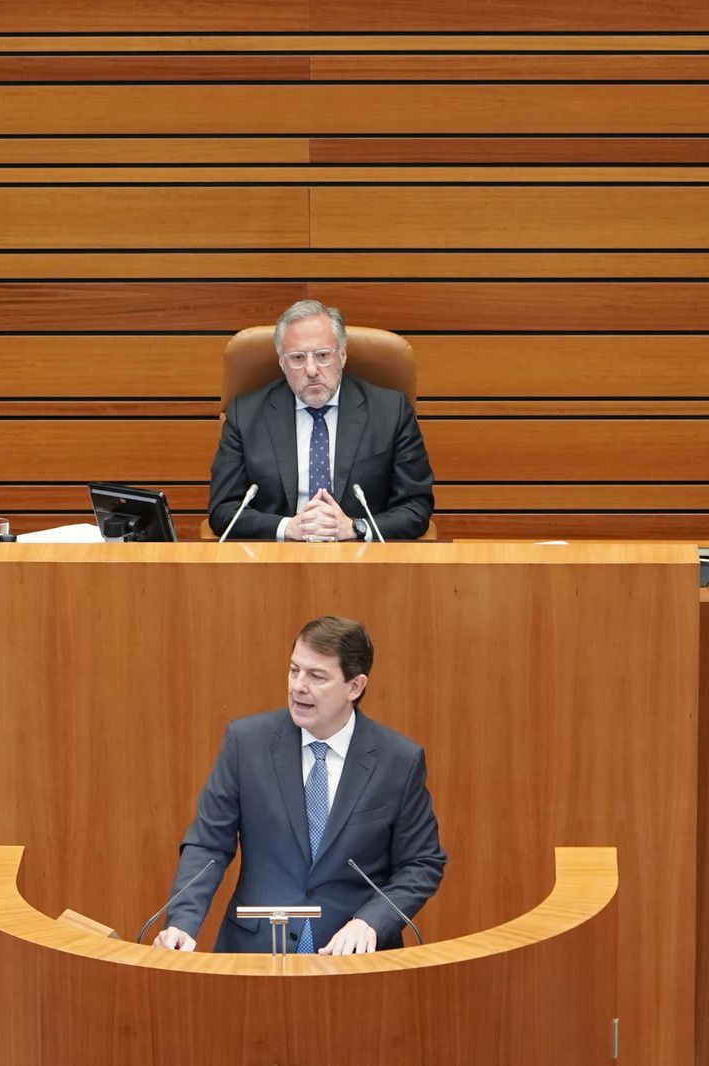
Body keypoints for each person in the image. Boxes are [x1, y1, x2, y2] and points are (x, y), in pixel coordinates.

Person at [152, 616, 445, 955]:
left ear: (355, 686)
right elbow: (208, 845)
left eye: (316, 676)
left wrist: (371, 922)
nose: (298, 686)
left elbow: (422, 863)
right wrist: (183, 921)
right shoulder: (246, 744)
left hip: (354, 962)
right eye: (294, 670)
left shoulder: (398, 761)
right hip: (254, 954)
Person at [208, 300, 435, 541]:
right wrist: (288, 528)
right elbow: (224, 510)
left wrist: (356, 528)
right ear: (282, 363)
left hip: (362, 559)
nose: (312, 369)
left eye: (323, 355)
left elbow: (416, 507)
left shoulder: (391, 411)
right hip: (276, 560)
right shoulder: (246, 415)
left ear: (343, 355)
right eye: (297, 358)